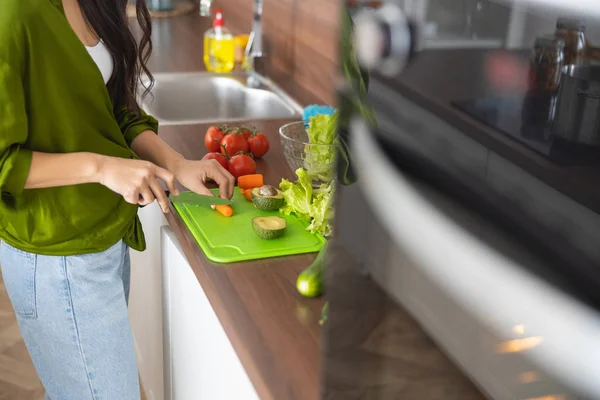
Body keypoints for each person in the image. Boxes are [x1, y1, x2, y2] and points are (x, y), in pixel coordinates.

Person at [0, 0, 234, 398]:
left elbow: (113, 110)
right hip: (58, 257)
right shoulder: (14, 12)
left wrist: (176, 163)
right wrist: (102, 168)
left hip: (103, 239)